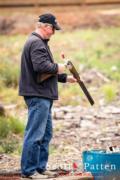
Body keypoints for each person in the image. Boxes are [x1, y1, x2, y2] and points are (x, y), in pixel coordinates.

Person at [19, 13, 76, 179]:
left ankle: (40, 168)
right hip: (37, 95)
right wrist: (61, 67)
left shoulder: (39, 42)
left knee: (45, 134)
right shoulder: (36, 43)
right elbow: (41, 66)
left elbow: (45, 72)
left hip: (42, 94)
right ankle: (29, 171)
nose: (53, 33)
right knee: (35, 133)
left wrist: (65, 78)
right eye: (53, 29)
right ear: (45, 26)